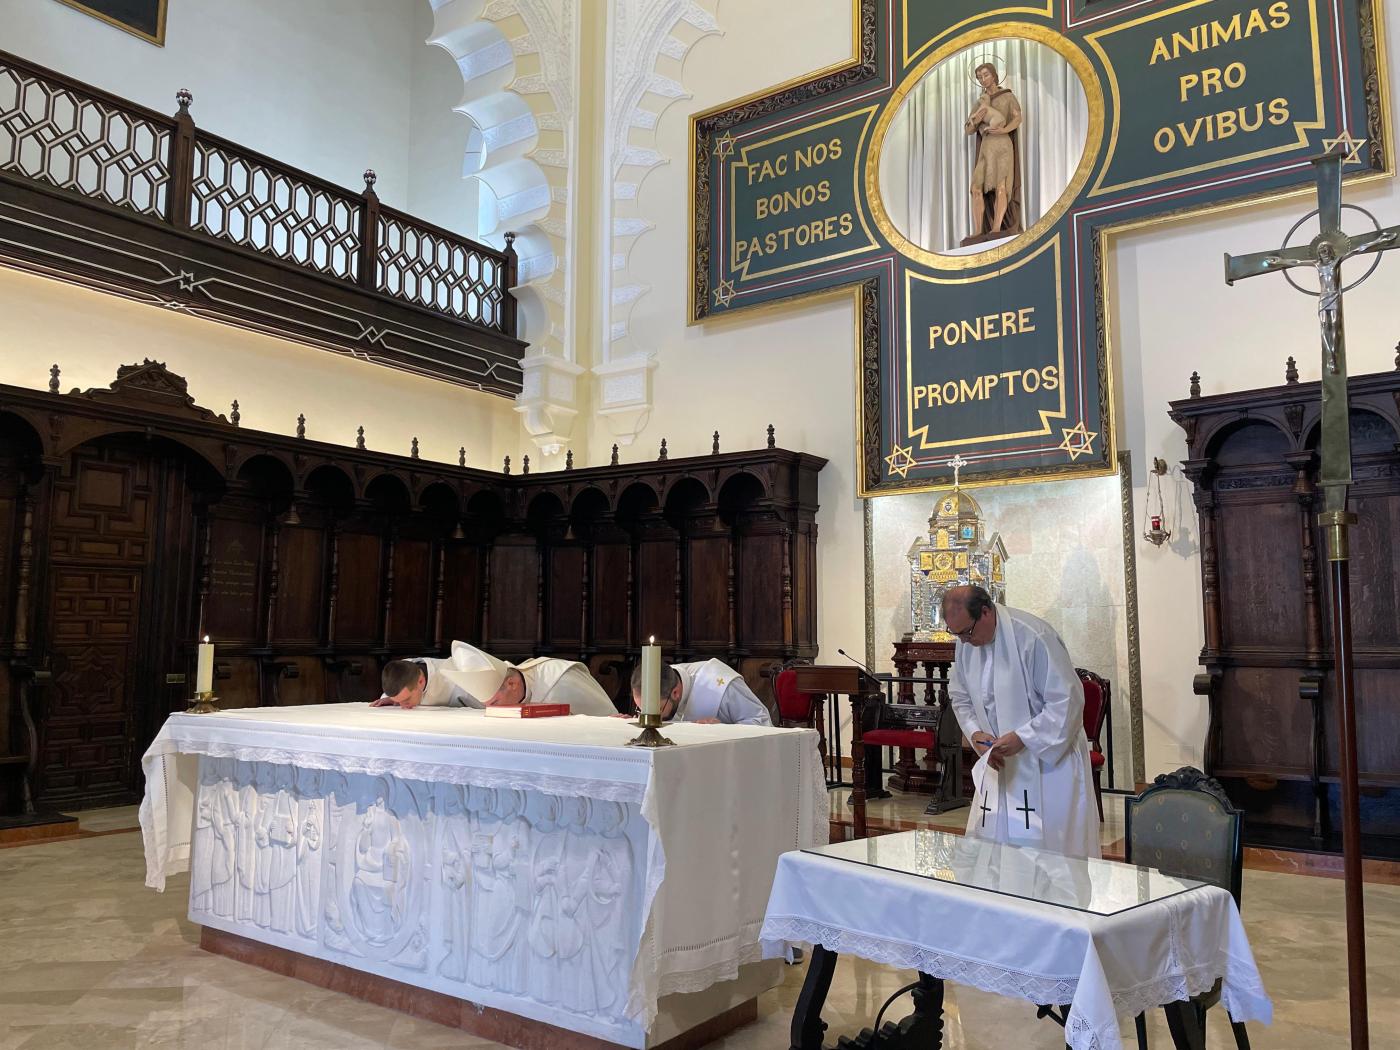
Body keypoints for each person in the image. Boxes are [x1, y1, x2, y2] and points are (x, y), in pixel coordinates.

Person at [941, 584, 1099, 859]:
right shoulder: (966, 644)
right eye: (956, 635)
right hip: (1001, 764)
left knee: (1053, 859)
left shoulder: (1034, 637)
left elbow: (1067, 701)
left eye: (967, 632)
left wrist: (1024, 737)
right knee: (995, 853)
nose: (964, 642)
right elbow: (959, 694)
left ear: (986, 612)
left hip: (1049, 763)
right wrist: (975, 733)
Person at [450, 641, 620, 716]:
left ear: (512, 683)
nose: (493, 710)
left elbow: (603, 718)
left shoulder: (559, 679)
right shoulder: (503, 694)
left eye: (494, 703)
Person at [964, 62, 1022, 243]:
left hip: (1002, 145)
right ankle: (978, 230)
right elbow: (968, 130)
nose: (983, 79)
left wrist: (1004, 130)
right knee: (975, 188)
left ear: (994, 75)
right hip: (986, 146)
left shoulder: (1008, 96)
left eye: (986, 75)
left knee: (1001, 187)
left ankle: (996, 228)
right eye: (980, 77)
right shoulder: (979, 102)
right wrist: (975, 121)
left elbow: (1018, 117)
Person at [628, 659, 772, 725]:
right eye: (641, 710)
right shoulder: (662, 678)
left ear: (676, 693)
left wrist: (723, 730)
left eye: (656, 710)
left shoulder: (720, 683)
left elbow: (761, 720)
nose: (650, 719)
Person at [373, 641, 490, 708]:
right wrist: (391, 699)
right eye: (399, 702)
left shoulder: (454, 677)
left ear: (421, 681)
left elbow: (487, 705)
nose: (403, 707)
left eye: (406, 700)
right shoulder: (401, 670)